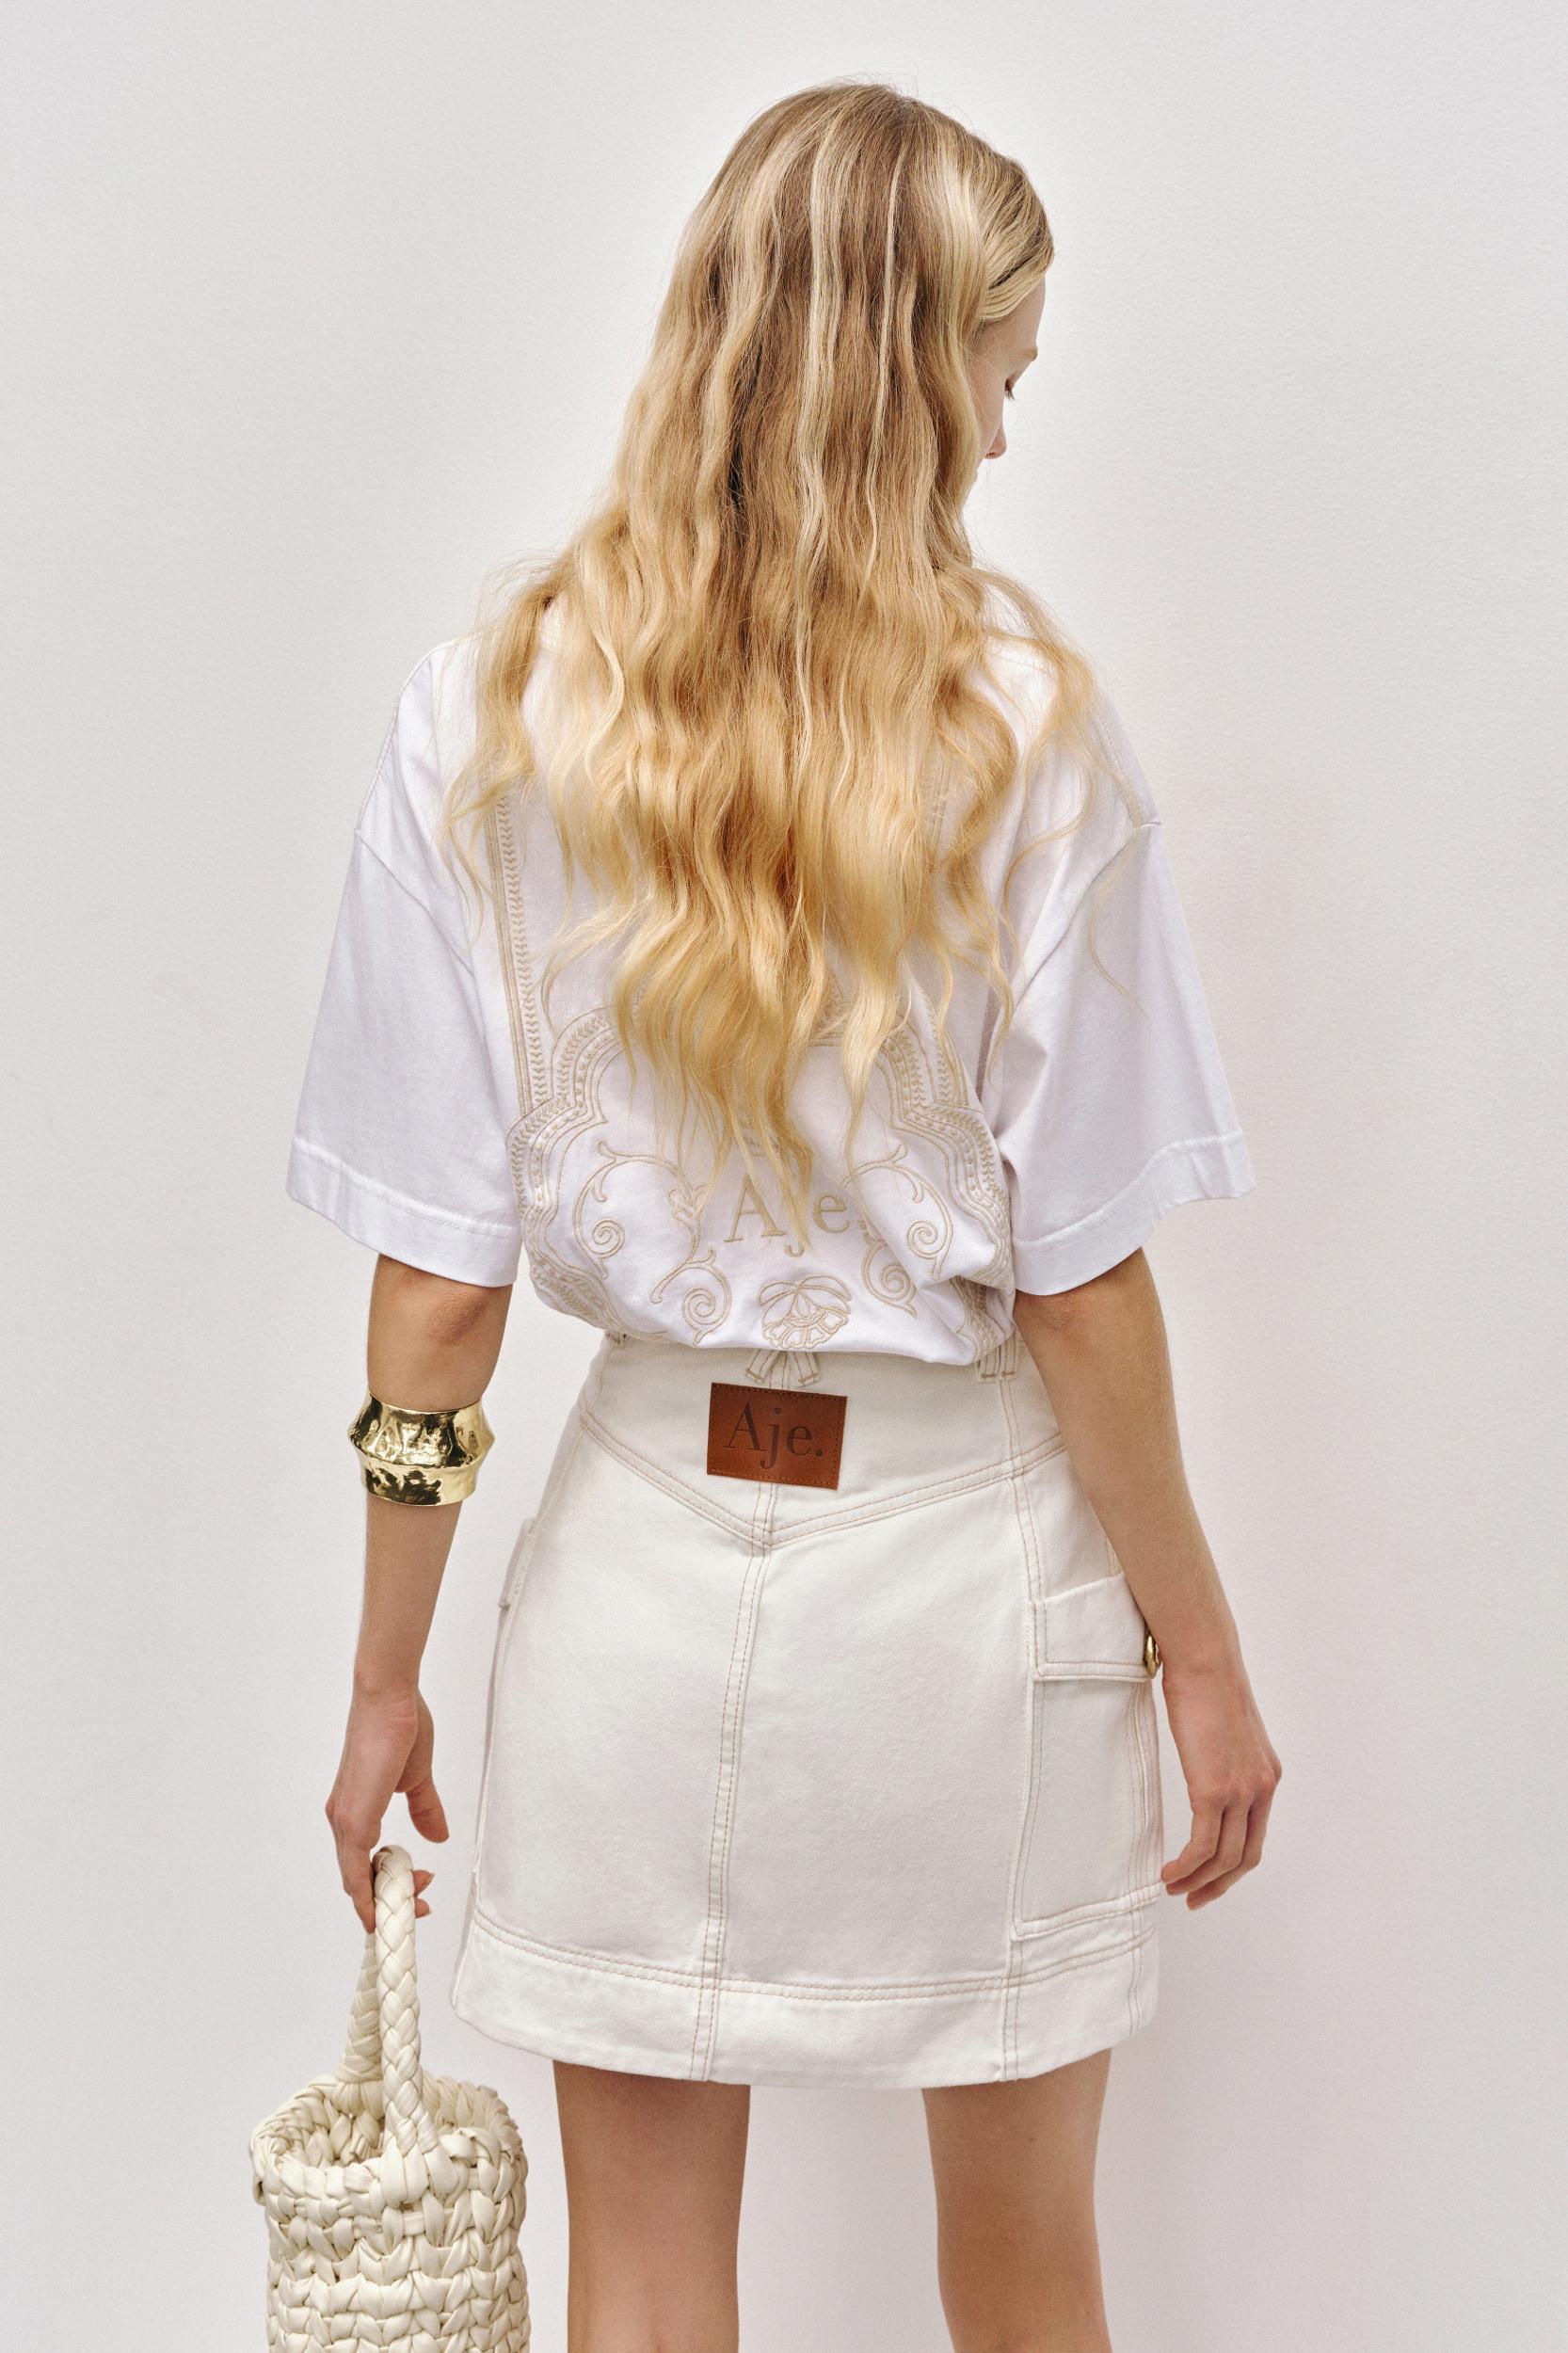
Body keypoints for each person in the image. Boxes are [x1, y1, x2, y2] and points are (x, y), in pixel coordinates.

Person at [288, 78, 1281, 2353]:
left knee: (640, 2291)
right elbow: (1079, 1284)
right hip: (968, 1594)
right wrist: (1201, 1657)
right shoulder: (1024, 730)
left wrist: (381, 1679)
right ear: (910, 374)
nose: (1005, 434)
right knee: (1023, 2271)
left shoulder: (485, 714)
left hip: (634, 1568)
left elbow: (434, 1297)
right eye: (997, 373)